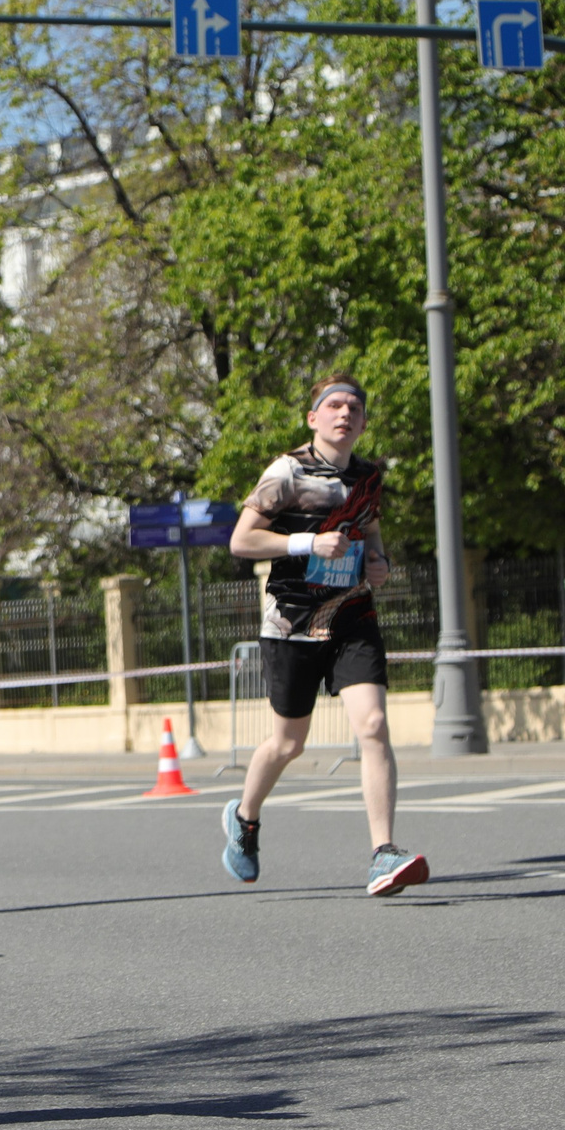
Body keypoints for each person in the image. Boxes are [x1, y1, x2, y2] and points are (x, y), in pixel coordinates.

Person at [221, 375, 429, 897]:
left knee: (374, 724)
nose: (345, 414)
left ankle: (383, 854)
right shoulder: (286, 471)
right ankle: (245, 820)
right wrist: (308, 542)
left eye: (354, 408)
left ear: (362, 422)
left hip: (351, 615)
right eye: (333, 406)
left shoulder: (368, 476)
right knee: (288, 743)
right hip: (290, 623)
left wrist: (378, 561)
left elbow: (371, 526)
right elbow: (241, 540)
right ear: (313, 418)